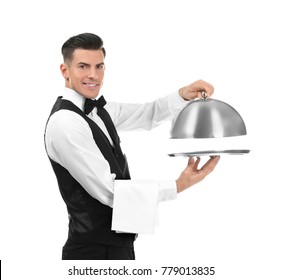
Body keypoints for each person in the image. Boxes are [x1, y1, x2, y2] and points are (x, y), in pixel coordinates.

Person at [44, 33, 220, 260]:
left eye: (99, 66)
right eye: (83, 66)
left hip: (115, 247)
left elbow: (148, 114)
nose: (93, 75)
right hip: (92, 252)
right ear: (64, 70)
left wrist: (182, 96)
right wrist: (178, 185)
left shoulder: (99, 110)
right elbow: (109, 192)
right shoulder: (66, 123)